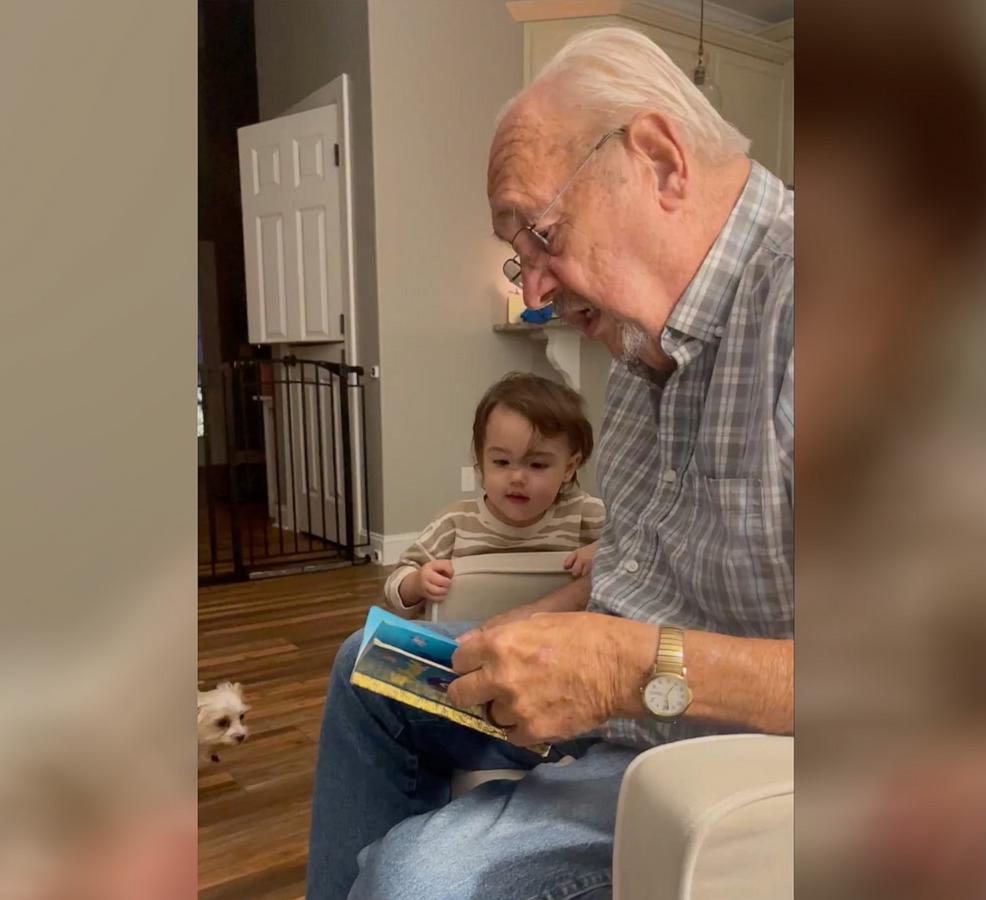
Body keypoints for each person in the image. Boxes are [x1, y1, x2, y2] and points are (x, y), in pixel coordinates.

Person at [306, 27, 794, 900]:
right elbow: (648, 566)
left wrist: (616, 665)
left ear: (657, 160)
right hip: (621, 709)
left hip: (716, 755)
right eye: (517, 253)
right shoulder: (645, 335)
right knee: (368, 667)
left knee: (418, 880)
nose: (531, 291)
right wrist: (547, 620)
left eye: (541, 234)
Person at [384, 372, 605, 615]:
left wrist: (604, 548)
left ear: (569, 468)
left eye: (537, 465)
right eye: (501, 462)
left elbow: (636, 548)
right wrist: (416, 583)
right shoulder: (455, 524)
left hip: (551, 644)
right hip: (466, 640)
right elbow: (396, 583)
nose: (517, 478)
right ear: (481, 462)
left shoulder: (584, 515)